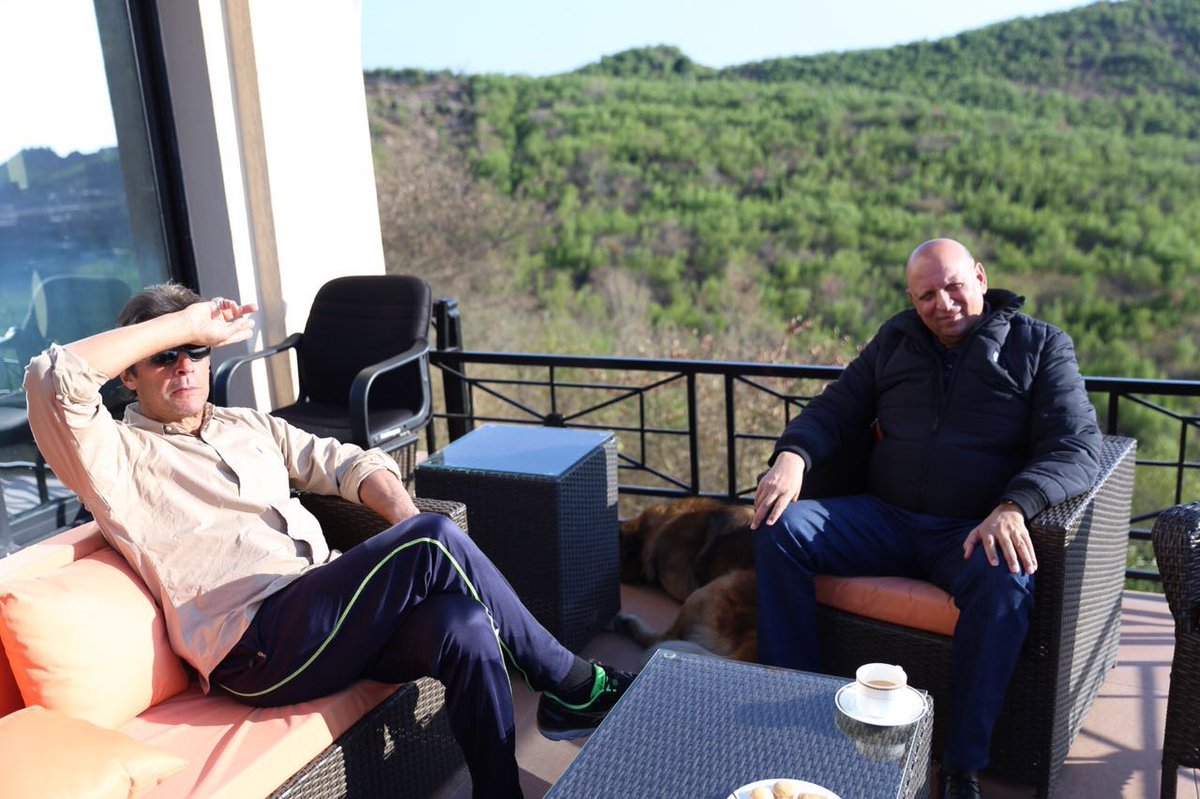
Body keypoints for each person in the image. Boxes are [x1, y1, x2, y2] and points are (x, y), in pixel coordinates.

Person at [24, 283, 633, 799]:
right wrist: (186, 323)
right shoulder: (115, 456)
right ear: (129, 374)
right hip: (257, 648)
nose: (184, 365)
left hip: (332, 617)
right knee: (431, 540)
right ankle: (572, 685)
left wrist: (403, 521)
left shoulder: (246, 425)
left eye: (196, 351)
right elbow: (52, 380)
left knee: (463, 623)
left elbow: (344, 461)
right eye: (163, 355)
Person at [750, 238, 1102, 799]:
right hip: (884, 518)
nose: (943, 304)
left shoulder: (1039, 345)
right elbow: (835, 408)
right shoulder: (896, 339)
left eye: (954, 286)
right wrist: (792, 457)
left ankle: (961, 764)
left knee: (1006, 583)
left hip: (968, 532)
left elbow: (1078, 446)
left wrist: (1015, 506)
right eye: (927, 295)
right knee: (780, 528)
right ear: (913, 299)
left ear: (980, 278)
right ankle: (797, 700)